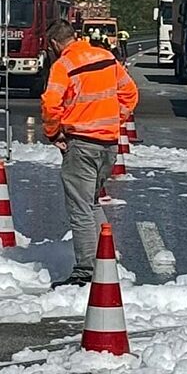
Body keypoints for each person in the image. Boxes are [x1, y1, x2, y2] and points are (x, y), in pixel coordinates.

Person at [41, 19, 138, 288]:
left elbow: (50, 104)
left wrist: (53, 133)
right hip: (109, 144)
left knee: (80, 207)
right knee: (93, 201)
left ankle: (86, 271)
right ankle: (104, 260)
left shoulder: (64, 66)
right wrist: (114, 120)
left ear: (54, 44)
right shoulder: (106, 57)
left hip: (81, 144)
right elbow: (130, 93)